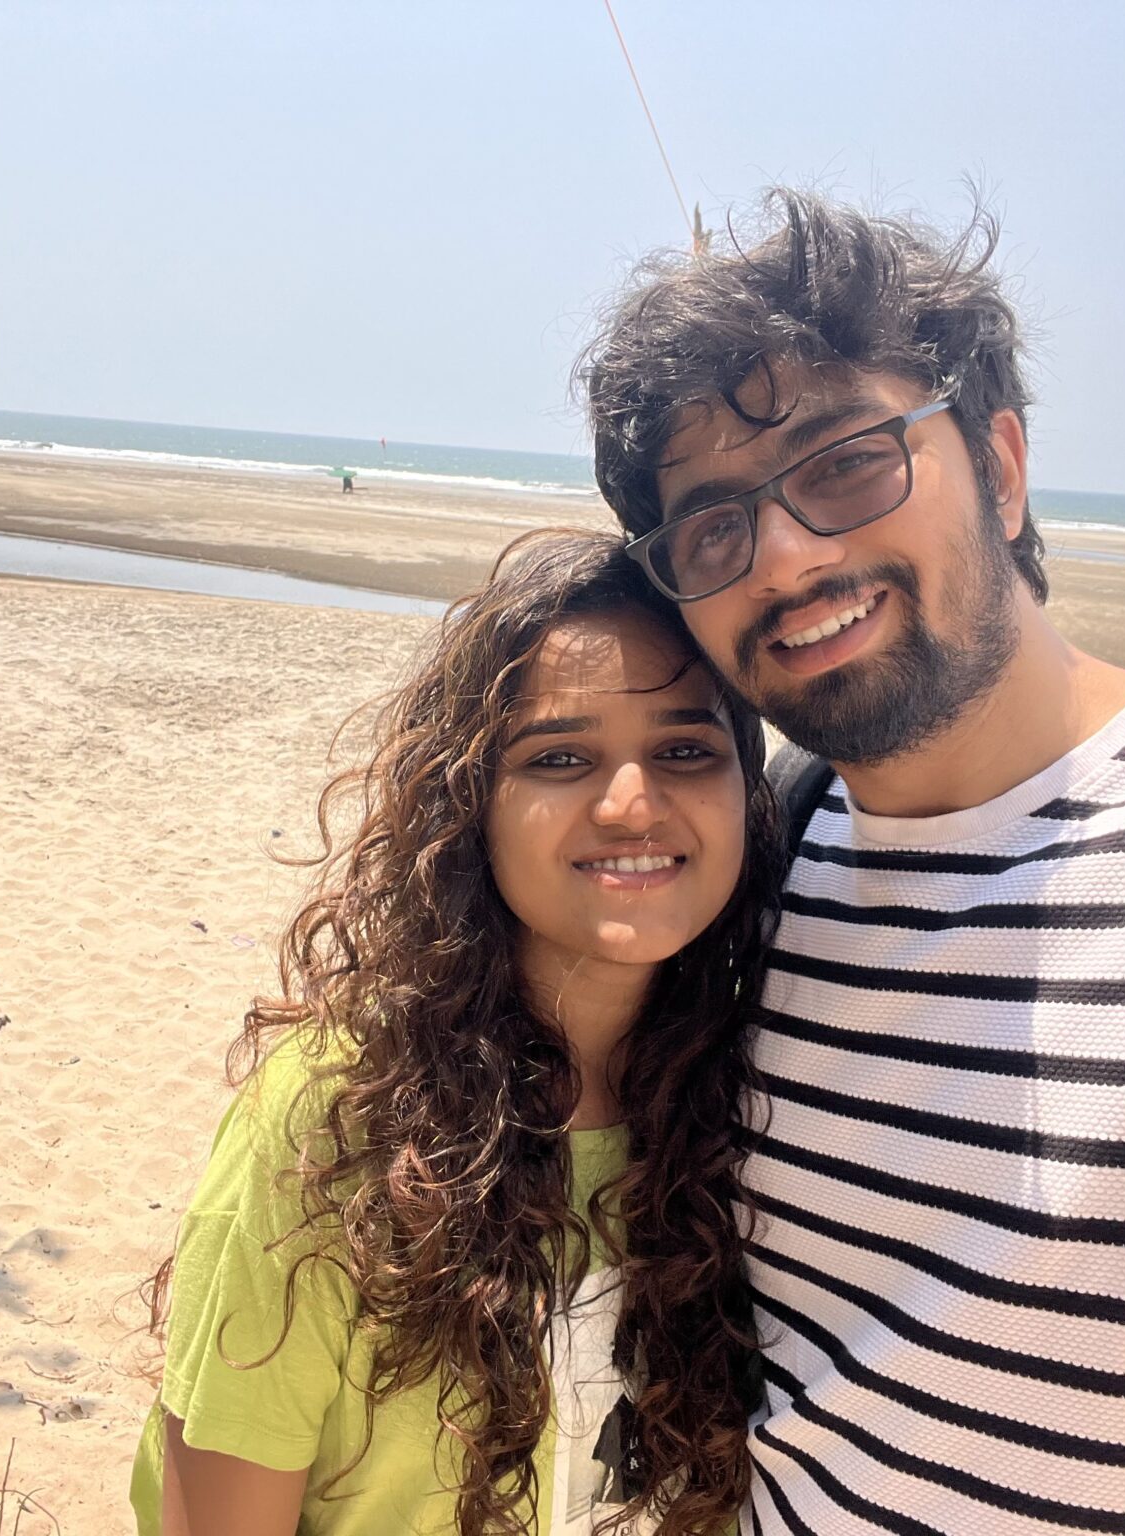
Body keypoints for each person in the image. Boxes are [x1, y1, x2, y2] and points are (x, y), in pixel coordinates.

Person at [581, 189, 1125, 1534]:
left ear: (1003, 469)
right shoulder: (756, 875)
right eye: (714, 526)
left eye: (848, 460)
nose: (786, 553)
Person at [130, 528, 782, 1535]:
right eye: (560, 757)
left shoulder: (755, 1089)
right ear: (470, 805)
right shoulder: (332, 1118)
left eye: (685, 750)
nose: (631, 804)